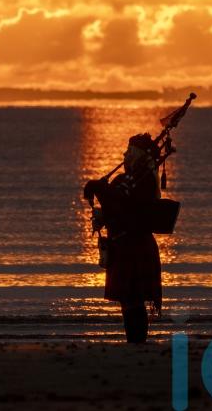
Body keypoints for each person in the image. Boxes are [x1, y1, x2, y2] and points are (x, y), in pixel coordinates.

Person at [84, 133, 162, 344]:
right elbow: (116, 208)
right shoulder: (126, 180)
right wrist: (102, 215)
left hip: (134, 246)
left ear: (138, 155)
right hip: (123, 244)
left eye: (129, 151)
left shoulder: (144, 182)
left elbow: (127, 208)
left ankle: (137, 343)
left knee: (133, 298)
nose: (124, 155)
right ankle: (134, 342)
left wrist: (100, 188)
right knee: (127, 300)